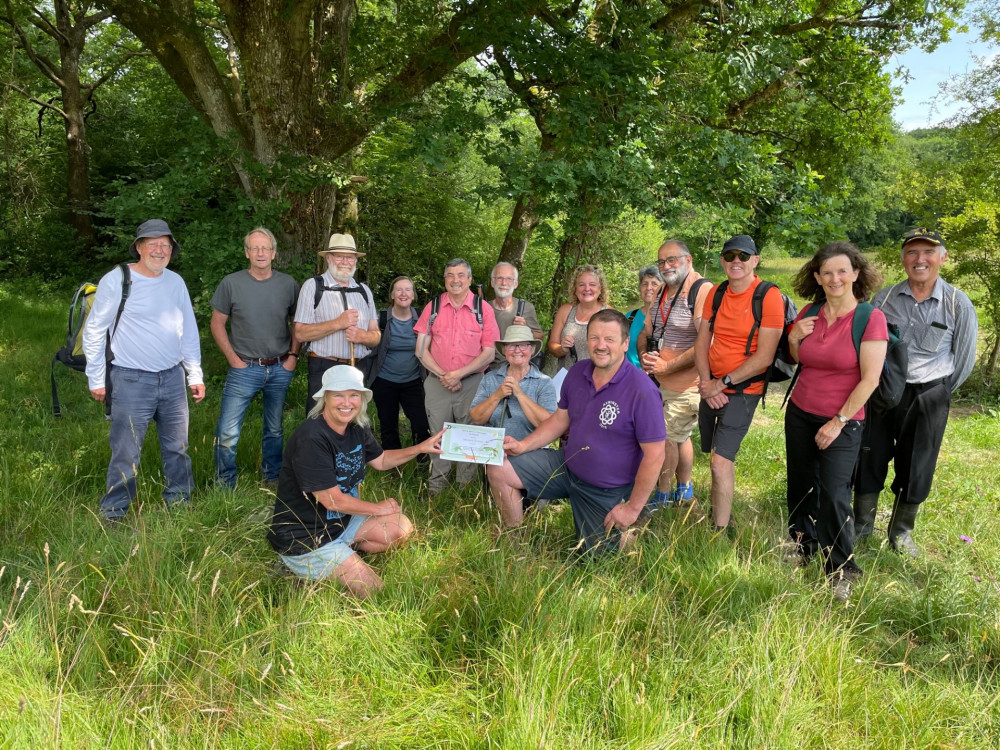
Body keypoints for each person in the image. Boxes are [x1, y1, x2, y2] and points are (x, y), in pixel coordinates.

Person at [853, 228, 978, 557]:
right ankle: (861, 526)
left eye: (928, 252)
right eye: (912, 252)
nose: (919, 259)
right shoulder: (884, 299)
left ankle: (901, 533)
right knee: (869, 456)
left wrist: (938, 392)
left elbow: (963, 360)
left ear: (942, 258)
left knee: (918, 464)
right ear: (903, 258)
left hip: (929, 396)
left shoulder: (957, 304)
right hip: (881, 393)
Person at [498, 310, 666, 552]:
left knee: (595, 560)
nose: (601, 345)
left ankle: (631, 530)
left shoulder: (642, 390)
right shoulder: (578, 372)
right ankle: (514, 541)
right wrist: (523, 446)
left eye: (609, 339)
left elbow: (655, 455)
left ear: (625, 342)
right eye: (594, 338)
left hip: (604, 487)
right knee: (499, 465)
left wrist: (632, 509)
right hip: (566, 467)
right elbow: (559, 421)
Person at [268, 366, 443, 596]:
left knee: (401, 528)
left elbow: (381, 460)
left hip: (342, 524)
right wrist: (376, 508)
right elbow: (331, 500)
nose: (346, 402)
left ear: (361, 399)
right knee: (375, 590)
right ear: (325, 399)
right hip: (306, 537)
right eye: (338, 395)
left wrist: (421, 447)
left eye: (353, 395)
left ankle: (342, 554)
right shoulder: (312, 438)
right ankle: (301, 568)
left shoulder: (356, 428)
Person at [82, 219, 205, 524]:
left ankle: (179, 505)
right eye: (153, 244)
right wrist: (97, 378)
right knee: (126, 452)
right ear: (139, 247)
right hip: (131, 379)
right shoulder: (118, 279)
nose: (160, 250)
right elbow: (95, 329)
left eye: (166, 245)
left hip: (173, 379)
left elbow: (187, 329)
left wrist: (195, 374)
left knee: (178, 448)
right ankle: (114, 513)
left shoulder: (175, 282)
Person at [784, 242, 888, 601]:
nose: (835, 278)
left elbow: (870, 379)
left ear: (856, 274)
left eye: (842, 271)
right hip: (800, 412)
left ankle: (841, 569)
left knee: (833, 493)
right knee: (799, 486)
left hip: (843, 419)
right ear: (817, 276)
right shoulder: (810, 311)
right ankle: (802, 547)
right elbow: (801, 359)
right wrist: (794, 339)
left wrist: (838, 420)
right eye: (827, 272)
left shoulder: (869, 318)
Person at [694, 235, 783, 533]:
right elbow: (702, 340)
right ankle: (718, 510)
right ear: (722, 260)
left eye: (743, 256)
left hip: (745, 390)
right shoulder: (716, 293)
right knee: (713, 455)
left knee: (721, 460)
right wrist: (706, 383)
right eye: (730, 256)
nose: (736, 261)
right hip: (712, 386)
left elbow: (765, 357)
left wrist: (721, 384)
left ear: (754, 261)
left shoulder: (768, 295)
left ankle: (719, 529)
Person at [211, 227, 300, 489]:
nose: (260, 253)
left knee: (274, 428)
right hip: (244, 368)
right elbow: (217, 324)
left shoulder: (288, 284)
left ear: (274, 253)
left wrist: (293, 356)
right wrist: (232, 358)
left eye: (265, 248)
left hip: (280, 365)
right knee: (228, 430)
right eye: (255, 248)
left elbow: (298, 323)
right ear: (246, 252)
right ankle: (224, 483)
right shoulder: (231, 283)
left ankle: (272, 476)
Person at [415, 258, 500, 495]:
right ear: (445, 280)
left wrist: (459, 374)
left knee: (469, 434)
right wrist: (445, 375)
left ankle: (465, 490)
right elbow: (420, 349)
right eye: (450, 275)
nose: (456, 280)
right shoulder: (432, 308)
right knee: (439, 434)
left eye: (461, 275)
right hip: (437, 382)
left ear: (470, 279)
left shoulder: (484, 310)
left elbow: (489, 352)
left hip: (473, 383)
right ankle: (437, 489)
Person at [638, 240, 712, 509]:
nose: (666, 266)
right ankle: (684, 488)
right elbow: (647, 333)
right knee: (680, 438)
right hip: (660, 381)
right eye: (661, 262)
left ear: (688, 259)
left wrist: (667, 367)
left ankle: (663, 496)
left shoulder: (701, 290)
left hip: (688, 384)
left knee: (666, 437)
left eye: (672, 260)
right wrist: (647, 354)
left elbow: (706, 342)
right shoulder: (662, 292)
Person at [471, 325, 557, 527]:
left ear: (532, 349)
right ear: (504, 351)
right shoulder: (491, 379)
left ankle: (530, 516)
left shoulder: (544, 382)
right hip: (497, 454)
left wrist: (519, 393)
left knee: (535, 517)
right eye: (511, 346)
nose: (517, 350)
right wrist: (497, 395)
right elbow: (476, 417)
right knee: (504, 514)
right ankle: (511, 529)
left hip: (532, 454)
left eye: (523, 345)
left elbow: (548, 424)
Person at [294, 233, 379, 415]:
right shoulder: (312, 286)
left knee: (354, 422)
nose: (344, 261)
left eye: (349, 257)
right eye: (339, 256)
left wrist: (363, 337)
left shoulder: (364, 291)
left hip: (358, 368)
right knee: (320, 422)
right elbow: (300, 333)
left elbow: (376, 336)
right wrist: (338, 323)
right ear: (328, 258)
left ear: (355, 260)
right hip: (324, 367)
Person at [369, 276, 431, 455]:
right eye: (399, 290)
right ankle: (392, 466)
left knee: (421, 424)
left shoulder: (422, 319)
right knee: (388, 425)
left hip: (413, 381)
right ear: (392, 295)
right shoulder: (381, 319)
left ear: (413, 295)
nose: (404, 293)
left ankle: (421, 462)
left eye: (408, 289)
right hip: (384, 381)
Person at [548, 264, 610, 371]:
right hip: (568, 379)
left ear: (600, 289)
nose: (587, 289)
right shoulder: (565, 311)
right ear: (575, 290)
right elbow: (552, 345)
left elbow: (617, 352)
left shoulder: (609, 314)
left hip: (597, 380)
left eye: (592, 284)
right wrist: (561, 349)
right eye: (581, 285)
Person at [488, 262, 544, 369]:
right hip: (489, 370)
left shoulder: (526, 308)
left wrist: (527, 328)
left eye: (509, 279)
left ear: (516, 284)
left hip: (517, 368)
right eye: (499, 278)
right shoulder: (484, 308)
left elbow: (540, 336)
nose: (504, 283)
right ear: (492, 282)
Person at [625, 265, 663, 368]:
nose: (648, 288)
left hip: (657, 379)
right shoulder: (629, 317)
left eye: (654, 284)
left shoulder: (668, 318)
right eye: (644, 284)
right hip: (629, 376)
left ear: (663, 288)